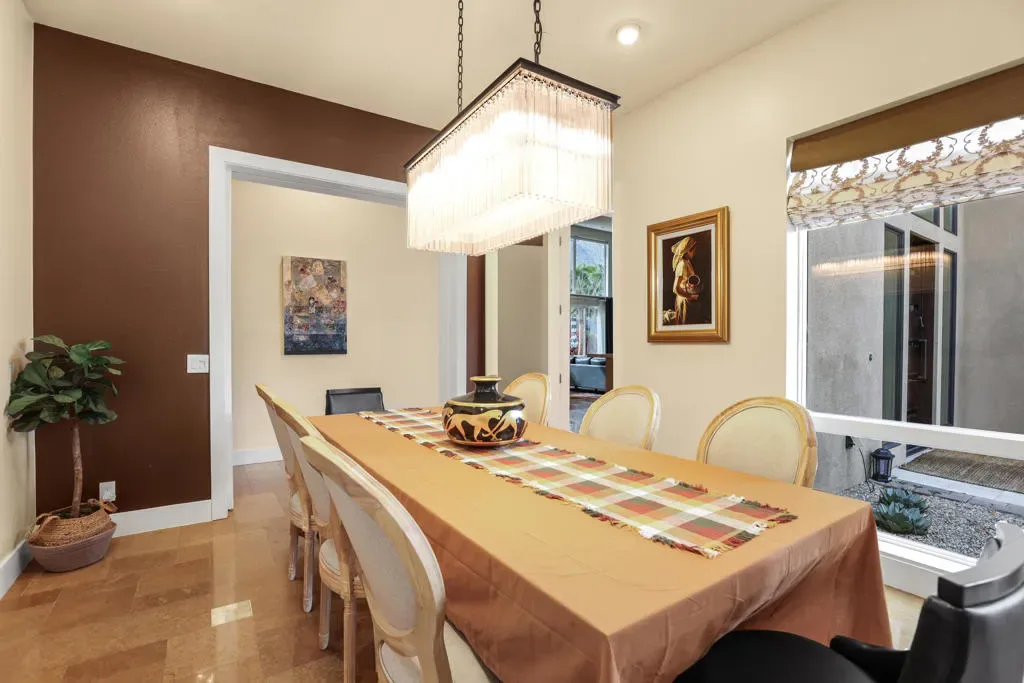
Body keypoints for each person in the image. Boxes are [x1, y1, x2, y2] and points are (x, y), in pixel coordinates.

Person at [671, 236, 703, 325]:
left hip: (688, 301)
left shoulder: (687, 262)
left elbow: (685, 281)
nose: (694, 253)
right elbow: (675, 289)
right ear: (688, 250)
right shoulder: (682, 264)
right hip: (684, 301)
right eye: (693, 251)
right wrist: (690, 296)